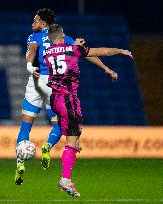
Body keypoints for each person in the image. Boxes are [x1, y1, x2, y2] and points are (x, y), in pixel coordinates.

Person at [14, 8, 119, 185]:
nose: (33, 23)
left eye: (36, 20)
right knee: (59, 126)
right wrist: (106, 69)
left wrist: (29, 67)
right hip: (55, 85)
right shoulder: (63, 37)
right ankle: (47, 146)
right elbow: (87, 54)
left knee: (25, 125)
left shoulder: (35, 37)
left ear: (44, 24)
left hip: (37, 81)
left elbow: (31, 52)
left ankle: (20, 163)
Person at [43, 24, 132, 197]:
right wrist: (120, 50)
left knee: (73, 139)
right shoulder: (72, 49)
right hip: (68, 99)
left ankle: (68, 154)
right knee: (71, 142)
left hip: (55, 98)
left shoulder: (47, 53)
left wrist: (76, 47)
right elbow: (101, 52)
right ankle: (65, 180)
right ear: (62, 36)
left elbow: (66, 53)